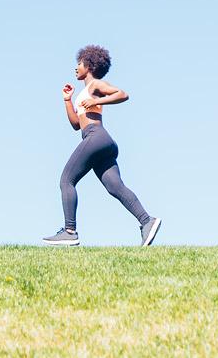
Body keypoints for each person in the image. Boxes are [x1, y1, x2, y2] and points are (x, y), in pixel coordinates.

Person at [42, 45, 161, 247]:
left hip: (96, 137)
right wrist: (67, 100)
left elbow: (122, 94)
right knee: (115, 187)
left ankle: (70, 231)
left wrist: (100, 100)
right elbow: (75, 124)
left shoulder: (95, 85)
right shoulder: (84, 94)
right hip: (101, 141)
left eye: (79, 63)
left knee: (66, 180)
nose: (76, 68)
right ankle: (147, 221)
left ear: (89, 65)